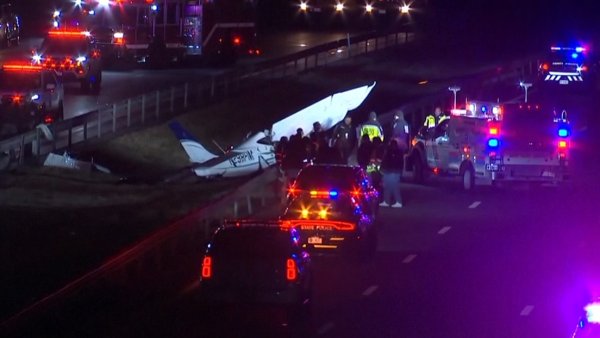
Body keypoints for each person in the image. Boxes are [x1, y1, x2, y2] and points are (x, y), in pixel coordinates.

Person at [379, 139, 404, 208]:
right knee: (388, 187)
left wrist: (382, 169)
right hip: (393, 171)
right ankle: (387, 201)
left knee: (393, 187)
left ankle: (397, 201)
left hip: (391, 171)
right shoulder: (398, 152)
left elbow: (385, 162)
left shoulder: (390, 152)